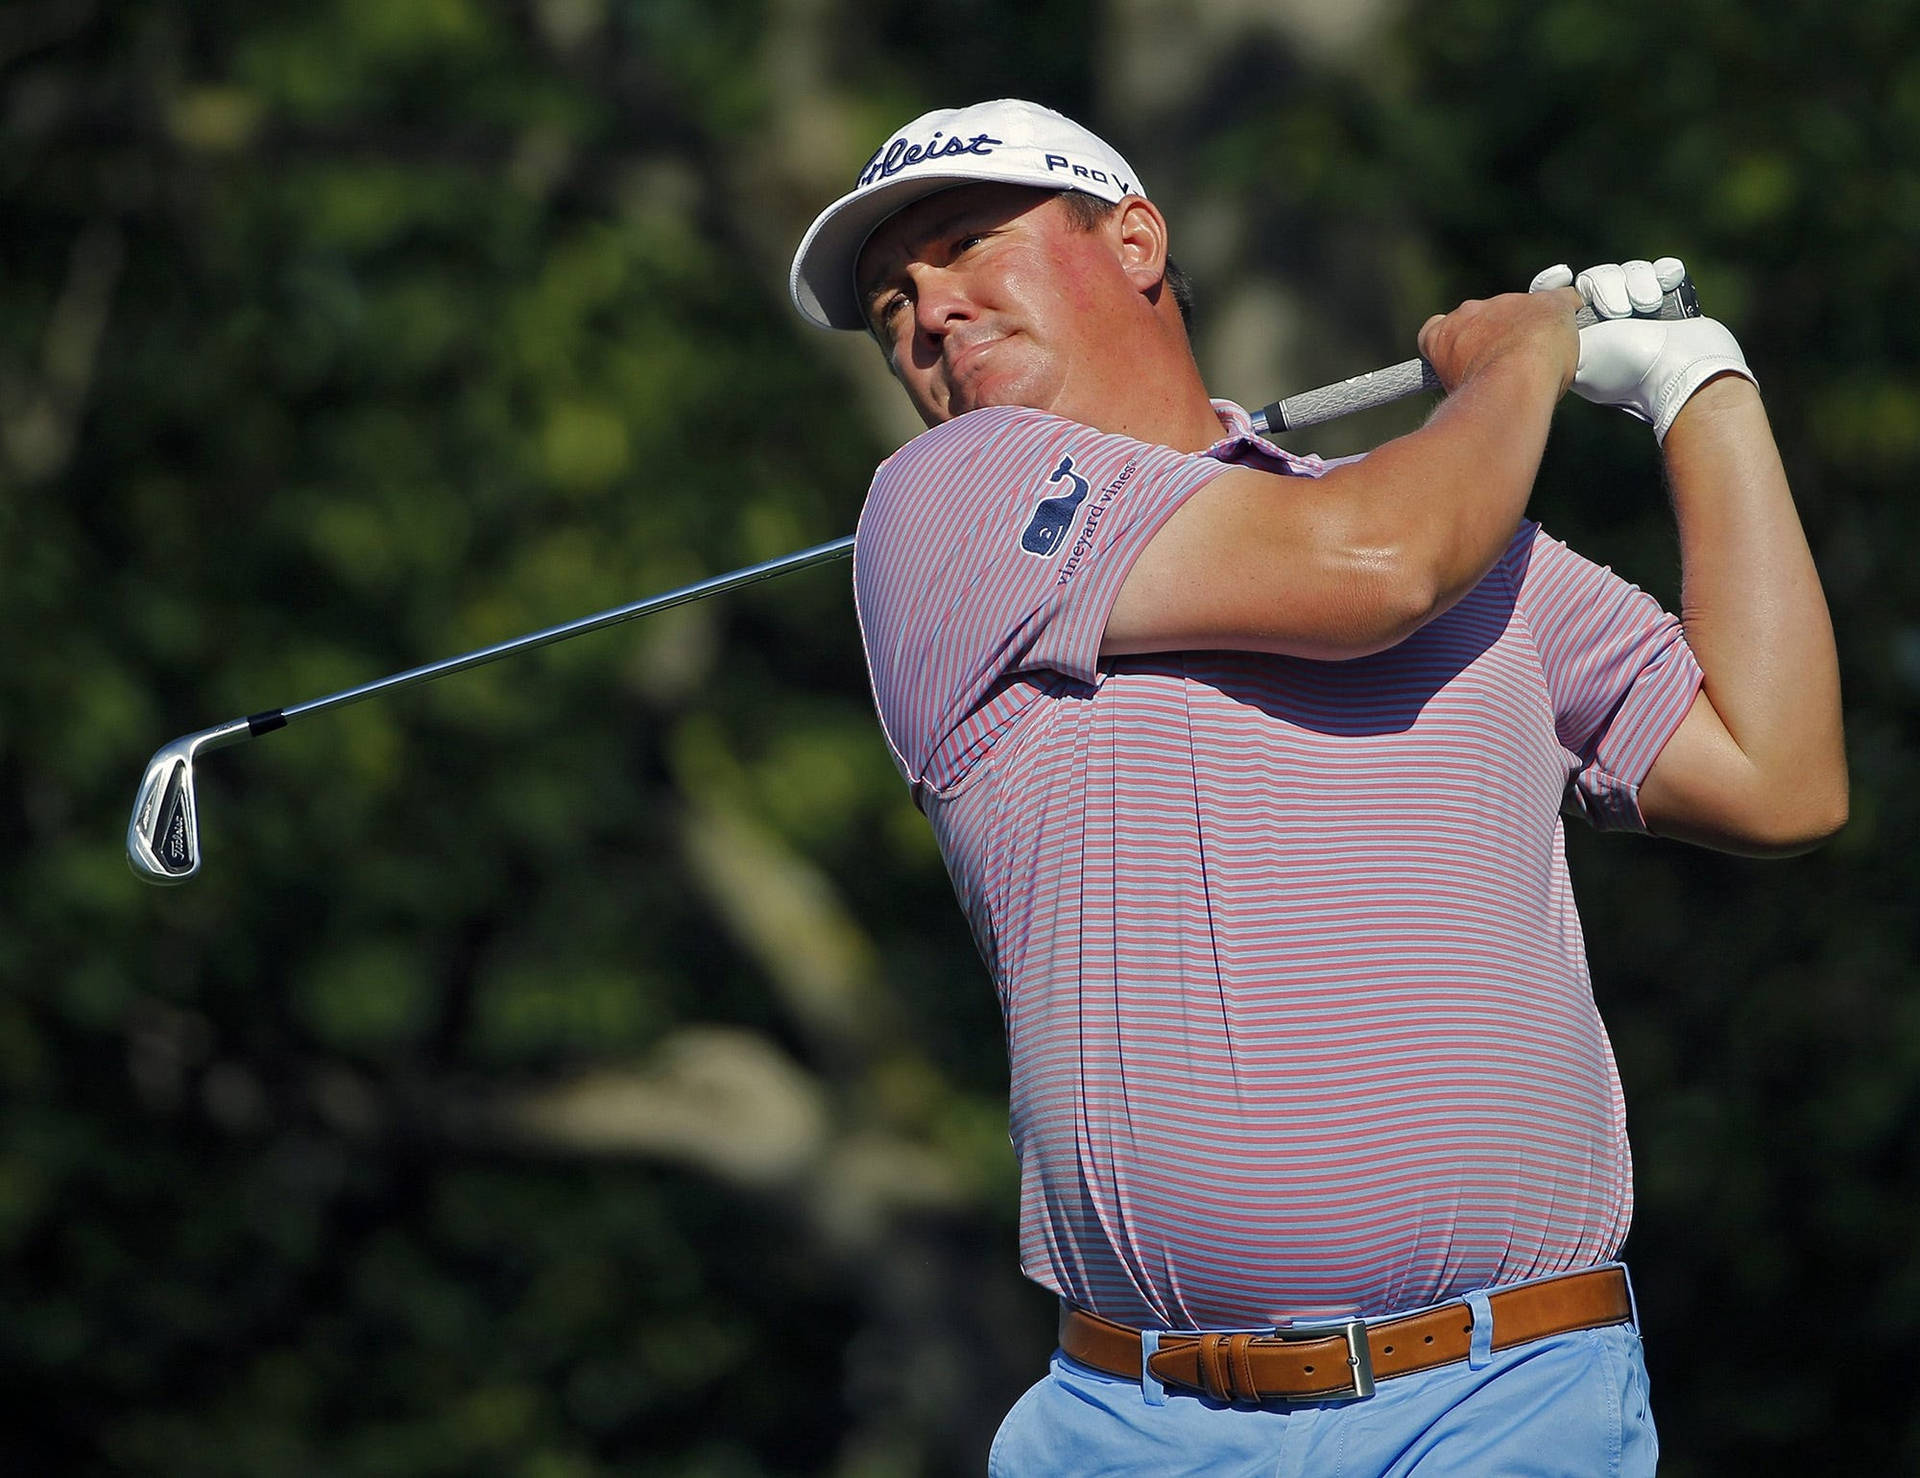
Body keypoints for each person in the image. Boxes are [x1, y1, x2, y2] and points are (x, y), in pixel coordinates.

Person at [788, 98, 1845, 1476]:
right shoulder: (945, 507)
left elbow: (1782, 773)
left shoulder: (1481, 552)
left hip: (1509, 1404)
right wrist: (1517, 365)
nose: (929, 308)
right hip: (1140, 1427)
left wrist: (1697, 385)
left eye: (967, 245)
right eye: (891, 301)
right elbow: (1375, 570)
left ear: (1135, 237)